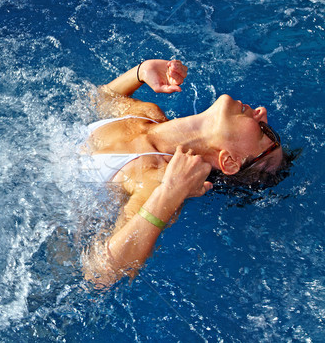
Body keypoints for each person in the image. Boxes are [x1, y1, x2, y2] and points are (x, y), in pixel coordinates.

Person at [82, 59, 286, 288]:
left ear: (229, 162)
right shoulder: (148, 113)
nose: (262, 112)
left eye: (265, 131)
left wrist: (169, 195)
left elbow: (99, 274)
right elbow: (97, 101)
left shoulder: (153, 181)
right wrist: (140, 72)